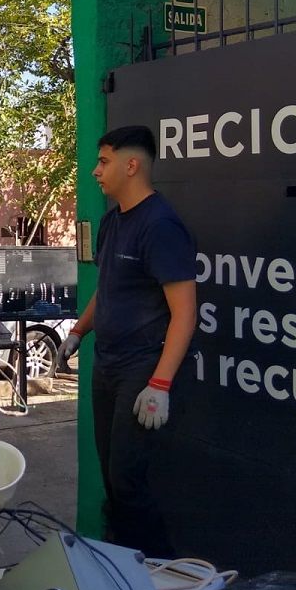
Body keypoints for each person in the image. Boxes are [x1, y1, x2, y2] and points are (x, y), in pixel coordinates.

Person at [57, 125, 197, 558]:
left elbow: (185, 313)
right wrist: (78, 331)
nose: (96, 171)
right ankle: (123, 568)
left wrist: (160, 385)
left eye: (104, 161)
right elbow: (108, 289)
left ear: (131, 165)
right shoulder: (112, 222)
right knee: (113, 480)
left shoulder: (161, 226)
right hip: (108, 364)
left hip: (142, 368)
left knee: (128, 481)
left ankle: (161, 573)